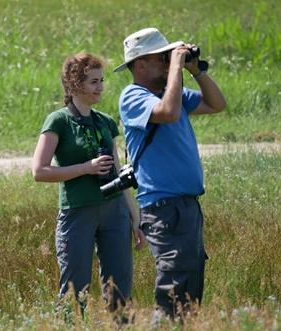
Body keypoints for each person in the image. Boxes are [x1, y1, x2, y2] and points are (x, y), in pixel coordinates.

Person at [114, 27, 227, 322]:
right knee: (173, 291)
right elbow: (168, 113)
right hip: (164, 209)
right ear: (140, 65)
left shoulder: (171, 91)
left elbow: (217, 104)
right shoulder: (132, 96)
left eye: (168, 57)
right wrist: (176, 67)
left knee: (190, 292)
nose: (167, 62)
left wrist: (195, 71)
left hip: (187, 206)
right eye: (161, 58)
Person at [32, 52, 145, 321]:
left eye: (101, 80)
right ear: (74, 85)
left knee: (120, 288)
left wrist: (134, 215)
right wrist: (87, 168)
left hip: (114, 211)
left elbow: (119, 173)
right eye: (94, 81)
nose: (101, 87)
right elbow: (39, 171)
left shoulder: (105, 121)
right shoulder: (58, 121)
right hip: (77, 212)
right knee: (74, 290)